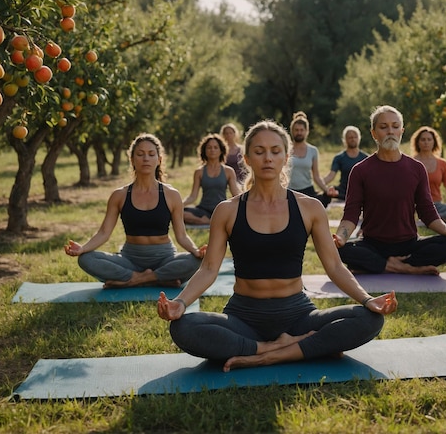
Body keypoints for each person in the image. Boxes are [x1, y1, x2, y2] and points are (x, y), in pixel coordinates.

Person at [157, 120, 398, 372]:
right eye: (259, 152)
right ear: (247, 158)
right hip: (244, 315)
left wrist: (367, 299)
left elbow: (335, 266)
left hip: (297, 314)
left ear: (286, 157)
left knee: (368, 319)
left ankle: (267, 355)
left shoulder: (310, 207)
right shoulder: (227, 210)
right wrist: (181, 303)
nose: (267, 158)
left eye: (275, 151)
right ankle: (282, 349)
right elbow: (208, 269)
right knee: (183, 327)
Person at [334, 106, 446, 276]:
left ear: (401, 131)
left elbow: (427, 212)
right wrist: (340, 238)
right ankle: (405, 267)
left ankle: (380, 265)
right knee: (337, 249)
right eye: (383, 127)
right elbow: (351, 214)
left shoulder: (416, 168)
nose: (390, 131)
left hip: (408, 245)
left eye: (395, 126)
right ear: (374, 133)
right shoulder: (360, 170)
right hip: (372, 244)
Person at [64, 133, 204, 288]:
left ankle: (135, 280)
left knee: (195, 260)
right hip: (130, 259)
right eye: (140, 154)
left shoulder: (172, 195)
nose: (146, 159)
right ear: (132, 160)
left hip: (164, 258)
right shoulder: (120, 195)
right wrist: (83, 248)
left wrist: (196, 251)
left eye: (151, 154)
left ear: (159, 160)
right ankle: (157, 278)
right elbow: (104, 232)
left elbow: (182, 236)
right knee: (86, 259)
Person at [183, 133, 241, 225]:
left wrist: (247, 203)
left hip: (222, 209)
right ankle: (208, 222)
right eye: (209, 147)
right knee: (183, 213)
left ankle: (213, 221)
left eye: (215, 147)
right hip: (203, 210)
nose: (212, 150)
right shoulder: (199, 172)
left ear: (221, 150)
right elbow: (192, 196)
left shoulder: (228, 171)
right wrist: (179, 205)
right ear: (204, 151)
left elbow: (236, 193)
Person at [288, 111, 331, 207]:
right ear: (292, 131)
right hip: (289, 191)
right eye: (296, 130)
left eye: (301, 130)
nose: (299, 132)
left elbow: (316, 176)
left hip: (307, 191)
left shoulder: (313, 150)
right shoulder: (285, 149)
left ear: (306, 131)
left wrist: (326, 190)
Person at [323, 125, 368, 201]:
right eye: (350, 137)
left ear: (359, 138)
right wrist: (320, 183)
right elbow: (331, 176)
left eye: (355, 137)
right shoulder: (339, 157)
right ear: (345, 140)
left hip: (361, 192)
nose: (353, 139)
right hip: (343, 191)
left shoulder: (366, 158)